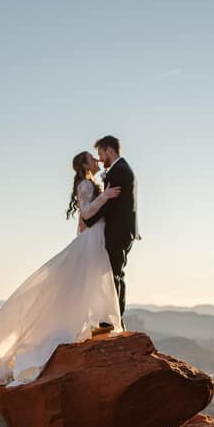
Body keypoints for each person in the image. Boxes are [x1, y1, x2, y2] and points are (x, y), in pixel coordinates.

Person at [0, 150, 123, 389]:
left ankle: (97, 324)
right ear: (84, 164)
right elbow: (87, 212)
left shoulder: (91, 182)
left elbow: (83, 219)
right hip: (92, 239)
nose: (97, 160)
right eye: (92, 158)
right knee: (85, 282)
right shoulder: (86, 184)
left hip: (95, 238)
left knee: (88, 283)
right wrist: (106, 197)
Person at [81, 135, 140, 318]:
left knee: (115, 275)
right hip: (122, 231)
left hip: (118, 231)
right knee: (115, 274)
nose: (99, 158)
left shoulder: (119, 171)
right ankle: (114, 318)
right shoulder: (121, 169)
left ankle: (115, 319)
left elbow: (109, 205)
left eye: (101, 153)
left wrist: (88, 220)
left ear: (110, 151)